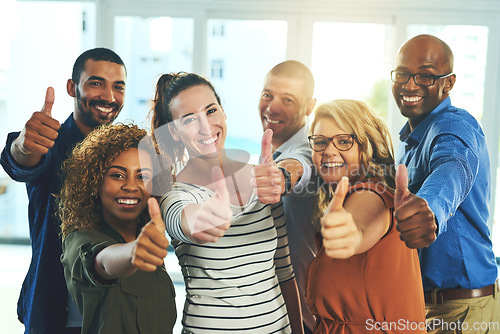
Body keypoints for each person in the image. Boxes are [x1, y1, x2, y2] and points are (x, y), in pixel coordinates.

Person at [151, 72, 303, 334]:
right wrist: (203, 218)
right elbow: (182, 221)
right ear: (174, 133)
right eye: (189, 119)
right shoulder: (172, 192)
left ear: (223, 112)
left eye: (211, 111)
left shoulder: (264, 178)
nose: (205, 126)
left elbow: (283, 270)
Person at [0, 48, 127, 334]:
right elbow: (21, 162)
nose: (109, 96)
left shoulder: (127, 153)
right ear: (72, 87)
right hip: (55, 313)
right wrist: (24, 146)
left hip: (113, 313)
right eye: (96, 83)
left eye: (118, 87)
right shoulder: (50, 143)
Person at [391, 34, 499, 332]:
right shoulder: (411, 140)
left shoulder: (454, 127)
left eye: (425, 76)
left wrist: (430, 208)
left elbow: (453, 168)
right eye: (402, 73)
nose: (409, 85)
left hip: (465, 311)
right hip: (430, 307)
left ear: (447, 83)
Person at [305, 99, 426, 333]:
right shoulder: (349, 193)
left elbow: (360, 224)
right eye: (320, 142)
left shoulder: (372, 192)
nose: (329, 150)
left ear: (366, 146)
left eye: (343, 141)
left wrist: (351, 233)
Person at [57, 123, 177, 334]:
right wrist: (133, 251)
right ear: (95, 182)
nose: (131, 186)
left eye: (142, 176)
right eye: (118, 175)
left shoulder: (149, 240)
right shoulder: (79, 241)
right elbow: (102, 263)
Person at [251, 60, 318, 333]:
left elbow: (300, 166)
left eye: (287, 100)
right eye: (268, 95)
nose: (272, 107)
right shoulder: (271, 148)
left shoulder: (310, 148)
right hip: (273, 310)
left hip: (303, 315)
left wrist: (281, 178)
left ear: (309, 107)